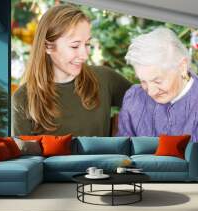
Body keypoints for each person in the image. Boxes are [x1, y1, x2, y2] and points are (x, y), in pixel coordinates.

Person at [117, 27, 198, 162]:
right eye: (143, 81)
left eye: (157, 81)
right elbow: (121, 154)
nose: (151, 91)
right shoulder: (133, 97)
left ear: (182, 67)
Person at [12, 5, 132, 136]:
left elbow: (149, 105)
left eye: (87, 44)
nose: (85, 55)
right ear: (48, 47)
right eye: (75, 46)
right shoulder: (23, 99)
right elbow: (26, 155)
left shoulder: (106, 78)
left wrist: (120, 128)